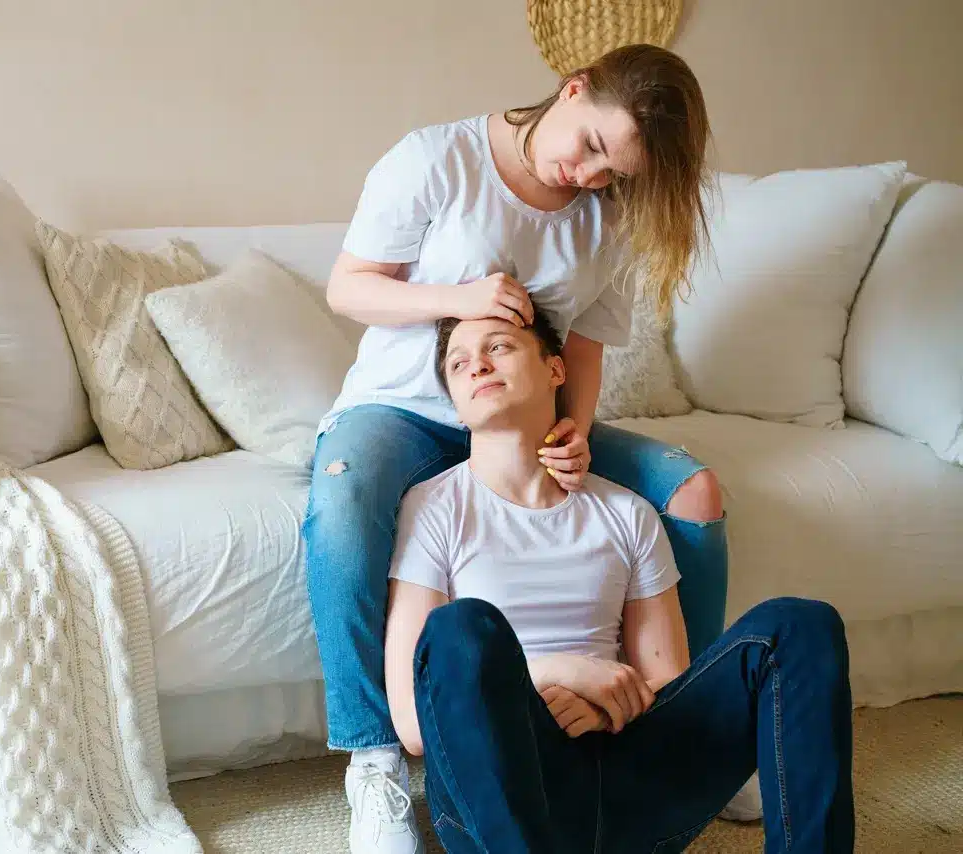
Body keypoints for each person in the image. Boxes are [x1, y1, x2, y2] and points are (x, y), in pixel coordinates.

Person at [303, 44, 732, 853]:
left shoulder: (606, 214)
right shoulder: (435, 160)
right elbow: (348, 286)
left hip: (530, 413)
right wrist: (456, 297)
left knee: (693, 492)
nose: (592, 178)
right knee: (344, 499)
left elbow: (591, 344)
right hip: (401, 409)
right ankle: (376, 761)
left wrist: (574, 424)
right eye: (594, 148)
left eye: (616, 174)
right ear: (573, 91)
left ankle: (692, 727)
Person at [383, 305, 854, 853]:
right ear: (455, 403)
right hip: (505, 800)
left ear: (557, 370)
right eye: (459, 364)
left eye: (499, 347)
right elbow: (417, 724)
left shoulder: (627, 513)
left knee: (800, 625)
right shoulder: (433, 508)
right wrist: (565, 673)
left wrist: (606, 709)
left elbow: (665, 681)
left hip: (626, 775)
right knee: (461, 629)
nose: (478, 366)